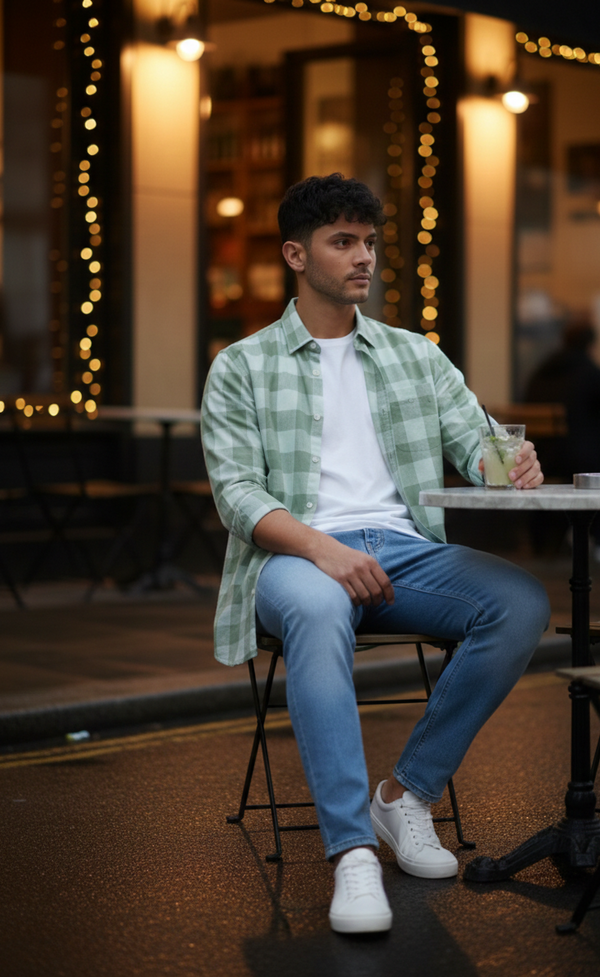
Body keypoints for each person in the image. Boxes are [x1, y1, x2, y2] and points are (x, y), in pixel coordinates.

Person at [201, 174, 550, 935]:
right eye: (343, 242)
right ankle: (352, 853)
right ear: (297, 254)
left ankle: (406, 797)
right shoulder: (243, 366)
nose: (364, 257)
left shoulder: (413, 355)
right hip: (291, 557)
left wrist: (512, 463)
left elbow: (480, 448)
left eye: (368, 242)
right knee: (322, 606)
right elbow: (237, 495)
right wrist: (322, 549)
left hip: (404, 550)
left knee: (521, 602)